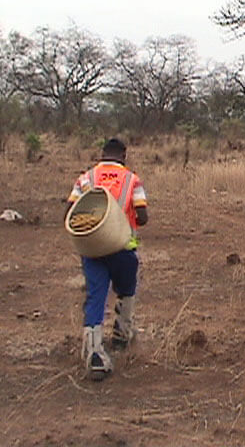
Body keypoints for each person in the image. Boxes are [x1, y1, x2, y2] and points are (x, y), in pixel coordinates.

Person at [65, 138, 148, 380]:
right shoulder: (132, 180)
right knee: (126, 289)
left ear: (102, 154)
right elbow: (142, 217)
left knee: (95, 295)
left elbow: (68, 212)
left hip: (92, 248)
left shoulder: (86, 179)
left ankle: (94, 353)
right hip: (122, 247)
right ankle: (123, 334)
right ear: (124, 154)